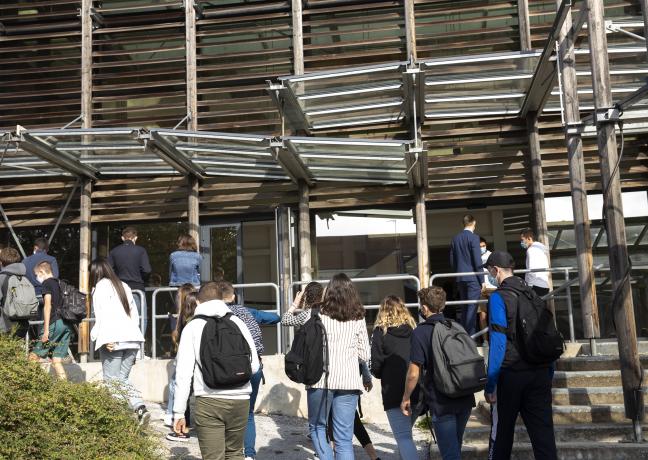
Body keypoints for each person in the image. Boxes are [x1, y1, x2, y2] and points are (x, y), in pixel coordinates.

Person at [172, 281, 260, 459]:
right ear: (222, 300)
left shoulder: (192, 327)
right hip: (241, 400)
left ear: (197, 301)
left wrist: (179, 412)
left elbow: (183, 375)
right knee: (235, 454)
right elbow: (255, 365)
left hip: (209, 400)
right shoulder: (238, 322)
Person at [484, 251, 557, 460]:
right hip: (540, 371)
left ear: (495, 270)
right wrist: (548, 371)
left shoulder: (498, 297)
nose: (490, 275)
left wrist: (491, 383)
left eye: (490, 271)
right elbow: (546, 334)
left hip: (511, 375)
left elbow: (498, 343)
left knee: (502, 435)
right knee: (543, 435)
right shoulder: (532, 295)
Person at [401, 287, 475, 460]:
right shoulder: (455, 326)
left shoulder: (420, 332)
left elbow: (413, 373)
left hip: (441, 401)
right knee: (455, 448)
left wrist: (406, 398)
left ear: (425, 308)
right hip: (464, 396)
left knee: (450, 454)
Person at [307, 273, 371, 460]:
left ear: (330, 291)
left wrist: (296, 304)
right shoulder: (358, 317)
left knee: (317, 428)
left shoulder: (317, 313)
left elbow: (287, 320)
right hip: (349, 381)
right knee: (344, 439)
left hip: (321, 380)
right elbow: (365, 355)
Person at [216, 281, 280, 460]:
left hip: (227, 369)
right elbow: (274, 318)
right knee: (248, 413)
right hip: (254, 367)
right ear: (234, 296)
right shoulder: (247, 312)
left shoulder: (214, 315)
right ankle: (249, 454)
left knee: (224, 413)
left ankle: (226, 452)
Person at [90, 258, 149, 426]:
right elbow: (134, 314)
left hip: (113, 339)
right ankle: (139, 408)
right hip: (132, 337)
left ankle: (118, 421)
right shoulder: (124, 285)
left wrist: (104, 337)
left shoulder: (100, 288)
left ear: (96, 272)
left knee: (112, 381)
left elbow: (101, 314)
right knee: (122, 379)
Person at [371, 295, 418, 460]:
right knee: (407, 436)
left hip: (393, 390)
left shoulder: (380, 332)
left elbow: (375, 365)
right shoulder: (413, 330)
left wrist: (381, 373)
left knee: (403, 437)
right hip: (416, 389)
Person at [28, 261, 72, 380]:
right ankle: (66, 392)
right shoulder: (60, 283)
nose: (37, 278)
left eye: (37, 274)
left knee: (33, 356)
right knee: (56, 361)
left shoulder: (47, 284)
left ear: (42, 271)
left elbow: (47, 306)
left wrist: (46, 330)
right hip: (66, 324)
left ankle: (29, 387)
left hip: (54, 323)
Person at [164, 283, 198, 433]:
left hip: (188, 360)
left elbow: (178, 340)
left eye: (178, 296)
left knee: (181, 389)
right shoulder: (191, 317)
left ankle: (182, 426)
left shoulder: (187, 319)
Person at [108, 226, 151, 334]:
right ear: (135, 238)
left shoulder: (114, 252)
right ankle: (139, 346)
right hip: (137, 288)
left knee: (121, 317)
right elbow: (147, 270)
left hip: (120, 289)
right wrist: (142, 279)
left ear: (123, 238)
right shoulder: (141, 250)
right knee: (141, 317)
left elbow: (108, 271)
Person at [449, 214, 483, 335]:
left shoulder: (455, 238)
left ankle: (464, 336)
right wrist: (482, 280)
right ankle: (470, 338)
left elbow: (452, 260)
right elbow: (477, 260)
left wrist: (458, 273)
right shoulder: (474, 238)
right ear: (473, 223)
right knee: (472, 309)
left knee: (464, 308)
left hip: (460, 278)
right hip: (473, 278)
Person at [0, 247, 29, 337]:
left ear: (1, 262)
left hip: (5, 326)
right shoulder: (24, 278)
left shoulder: (1, 278)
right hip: (23, 325)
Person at [520, 228, 551, 297]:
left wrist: (529, 286)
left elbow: (532, 269)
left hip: (535, 285)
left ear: (529, 238)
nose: (521, 242)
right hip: (544, 284)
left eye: (522, 240)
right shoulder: (540, 249)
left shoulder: (531, 250)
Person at [478, 237, 497, 338]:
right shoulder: (474, 257)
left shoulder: (491, 255)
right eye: (480, 246)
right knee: (482, 315)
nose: (482, 248)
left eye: (483, 246)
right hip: (481, 289)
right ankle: (485, 340)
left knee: (494, 314)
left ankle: (495, 337)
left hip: (493, 288)